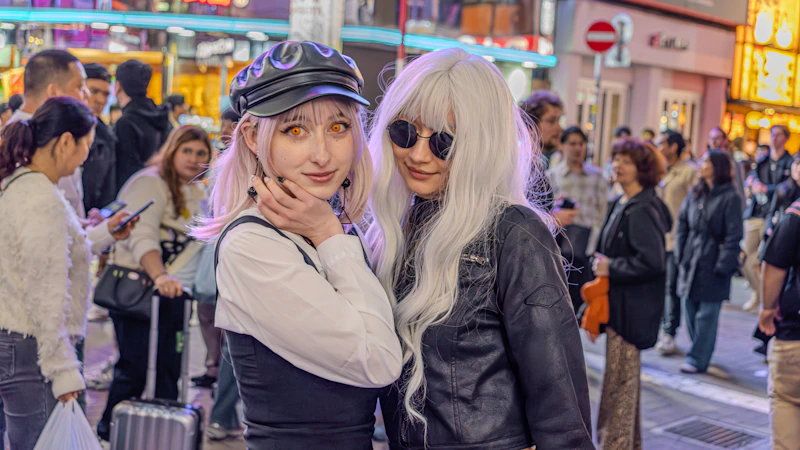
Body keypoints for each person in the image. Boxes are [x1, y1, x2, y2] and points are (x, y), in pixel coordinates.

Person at [369, 48, 592, 450]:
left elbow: (560, 401)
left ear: (481, 144)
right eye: (404, 131)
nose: (418, 155)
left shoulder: (514, 233)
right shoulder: (396, 225)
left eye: (445, 141)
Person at [193, 41, 402, 449]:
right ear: (252, 137)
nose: (322, 155)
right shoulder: (253, 245)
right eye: (295, 130)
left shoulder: (330, 225)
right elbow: (379, 360)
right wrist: (328, 234)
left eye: (338, 128)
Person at [0, 97, 135, 450]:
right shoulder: (42, 199)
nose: (86, 156)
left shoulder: (20, 184)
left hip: (16, 338)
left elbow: (43, 260)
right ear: (65, 142)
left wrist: (105, 234)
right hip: (31, 348)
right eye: (86, 145)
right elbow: (44, 292)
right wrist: (62, 369)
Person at [97, 125, 212, 441]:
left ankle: (164, 435)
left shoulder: (198, 191)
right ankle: (112, 432)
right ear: (172, 151)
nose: (193, 158)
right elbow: (140, 234)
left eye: (201, 153)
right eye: (186, 150)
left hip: (174, 295)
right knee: (133, 369)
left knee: (169, 370)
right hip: (138, 291)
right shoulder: (149, 182)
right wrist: (160, 275)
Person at [593, 138, 670, 450]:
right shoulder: (622, 201)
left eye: (627, 161)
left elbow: (653, 262)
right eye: (616, 158)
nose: (618, 165)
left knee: (620, 383)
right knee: (619, 381)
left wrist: (611, 266)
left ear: (642, 169)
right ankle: (625, 442)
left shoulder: (641, 209)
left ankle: (615, 444)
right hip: (618, 305)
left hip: (631, 310)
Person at [675, 151, 744, 373]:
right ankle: (700, 350)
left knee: (707, 314)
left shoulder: (730, 197)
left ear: (717, 167)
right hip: (691, 258)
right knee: (689, 307)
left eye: (706, 161)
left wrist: (723, 265)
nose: (700, 164)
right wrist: (680, 253)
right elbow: (682, 224)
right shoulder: (696, 192)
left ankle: (698, 358)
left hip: (714, 260)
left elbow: (734, 235)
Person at [7, 49, 90, 218]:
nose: (87, 95)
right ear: (54, 93)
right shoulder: (42, 141)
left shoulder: (12, 133)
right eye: (80, 86)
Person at [548, 126, 608, 311]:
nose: (577, 148)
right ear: (562, 146)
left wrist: (595, 245)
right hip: (560, 248)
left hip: (587, 248)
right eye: (572, 144)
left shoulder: (596, 176)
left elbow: (602, 213)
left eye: (581, 144)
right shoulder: (552, 176)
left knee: (582, 301)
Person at [758, 200, 800, 450]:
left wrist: (767, 308)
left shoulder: (795, 215)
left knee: (786, 401)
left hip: (795, 335)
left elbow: (774, 266)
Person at [742, 125, 795, 313]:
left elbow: (790, 187)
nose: (774, 138)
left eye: (778, 135)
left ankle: (768, 302)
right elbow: (750, 178)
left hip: (776, 217)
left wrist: (767, 189)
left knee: (767, 260)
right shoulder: (762, 160)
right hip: (756, 213)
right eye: (772, 134)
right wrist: (752, 184)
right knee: (747, 258)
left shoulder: (790, 162)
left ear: (785, 138)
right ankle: (759, 294)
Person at [654, 130, 696, 355]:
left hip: (675, 239)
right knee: (658, 285)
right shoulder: (658, 170)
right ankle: (659, 327)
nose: (659, 147)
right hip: (655, 238)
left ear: (673, 147)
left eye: (662, 143)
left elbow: (695, 206)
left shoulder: (689, 172)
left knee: (671, 287)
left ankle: (669, 331)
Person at [114, 59, 171, 192]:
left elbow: (127, 173)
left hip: (135, 195)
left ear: (118, 86)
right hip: (161, 191)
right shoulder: (160, 117)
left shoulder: (126, 123)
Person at [82, 63, 118, 212]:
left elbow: (108, 191)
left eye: (106, 94)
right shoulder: (57, 129)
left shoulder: (107, 137)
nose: (100, 100)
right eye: (94, 91)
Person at [520, 89, 563, 167]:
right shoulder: (520, 164)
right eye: (551, 121)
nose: (559, 128)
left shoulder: (551, 160)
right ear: (531, 126)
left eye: (558, 121)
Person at [708, 126, 746, 207]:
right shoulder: (705, 161)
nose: (713, 141)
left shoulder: (731, 162)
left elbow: (738, 186)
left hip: (726, 204)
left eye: (717, 138)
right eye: (711, 138)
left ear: (724, 140)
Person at [764, 154, 800, 239]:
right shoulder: (782, 188)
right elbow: (771, 212)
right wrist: (769, 228)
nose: (798, 168)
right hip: (784, 232)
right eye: (796, 163)